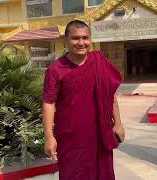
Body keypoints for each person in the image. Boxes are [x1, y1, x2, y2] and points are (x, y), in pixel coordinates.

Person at [42, 20, 125, 180]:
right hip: (71, 137)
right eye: (75, 38)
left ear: (90, 39)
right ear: (65, 40)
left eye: (85, 38)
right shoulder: (55, 70)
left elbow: (109, 94)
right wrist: (48, 136)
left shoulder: (99, 61)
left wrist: (118, 123)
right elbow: (48, 103)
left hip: (100, 134)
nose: (81, 43)